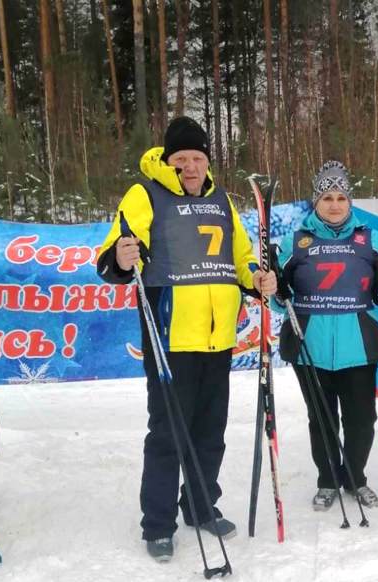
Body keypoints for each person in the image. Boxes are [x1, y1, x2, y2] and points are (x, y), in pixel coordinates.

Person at [96, 117, 276, 561]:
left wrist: (256, 278)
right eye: (181, 160)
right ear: (167, 160)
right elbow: (112, 255)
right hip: (170, 338)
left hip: (218, 340)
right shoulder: (146, 194)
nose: (190, 167)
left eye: (197, 158)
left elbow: (240, 258)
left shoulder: (220, 201)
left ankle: (199, 505)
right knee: (168, 433)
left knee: (210, 430)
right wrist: (120, 255)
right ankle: (158, 523)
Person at [273, 160, 378, 511]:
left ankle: (355, 478)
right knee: (322, 419)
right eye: (327, 197)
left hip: (359, 345)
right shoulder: (296, 241)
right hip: (310, 347)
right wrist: (275, 288)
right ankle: (327, 480)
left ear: (350, 201)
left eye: (341, 197)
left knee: (362, 420)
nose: (335, 204)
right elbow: (280, 303)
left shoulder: (369, 239)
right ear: (316, 201)